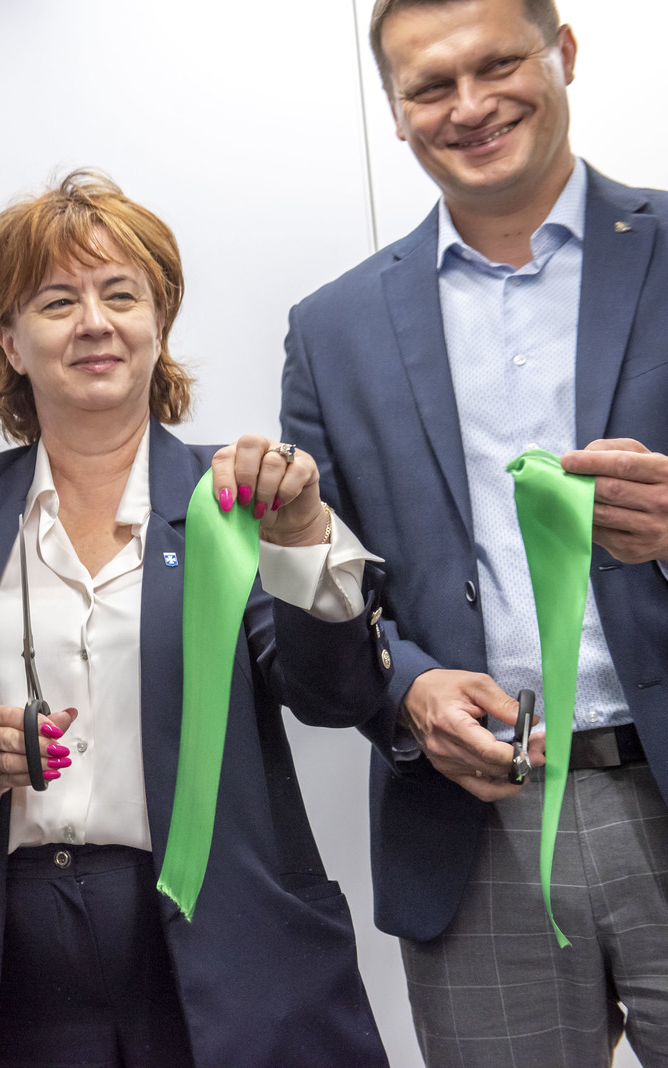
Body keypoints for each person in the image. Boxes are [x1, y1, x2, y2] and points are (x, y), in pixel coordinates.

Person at [0, 170, 392, 1067]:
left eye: (121, 295)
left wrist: (304, 538)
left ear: (158, 322)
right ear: (9, 341)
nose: (95, 323)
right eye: (56, 301)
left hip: (228, 941)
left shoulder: (236, 500)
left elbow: (335, 696)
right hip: (18, 957)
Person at [281, 0, 668, 1061]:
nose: (469, 106)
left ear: (564, 54)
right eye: (429, 87)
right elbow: (324, 617)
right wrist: (407, 688)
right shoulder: (331, 331)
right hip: (470, 833)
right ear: (394, 112)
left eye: (497, 64)